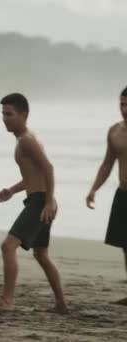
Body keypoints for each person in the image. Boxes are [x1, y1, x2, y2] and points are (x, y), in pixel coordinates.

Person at [0, 93, 68, 314]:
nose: (5, 119)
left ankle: (7, 301)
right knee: (41, 254)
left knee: (8, 246)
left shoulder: (27, 140)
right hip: (41, 200)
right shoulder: (23, 140)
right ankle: (61, 305)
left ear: (24, 115)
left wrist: (47, 203)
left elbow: (49, 169)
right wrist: (12, 191)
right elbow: (32, 176)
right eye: (3, 114)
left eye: (10, 114)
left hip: (39, 203)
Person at [86, 86, 127, 282]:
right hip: (123, 193)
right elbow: (107, 163)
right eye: (122, 104)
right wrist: (94, 189)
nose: (125, 109)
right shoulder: (115, 131)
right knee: (125, 245)